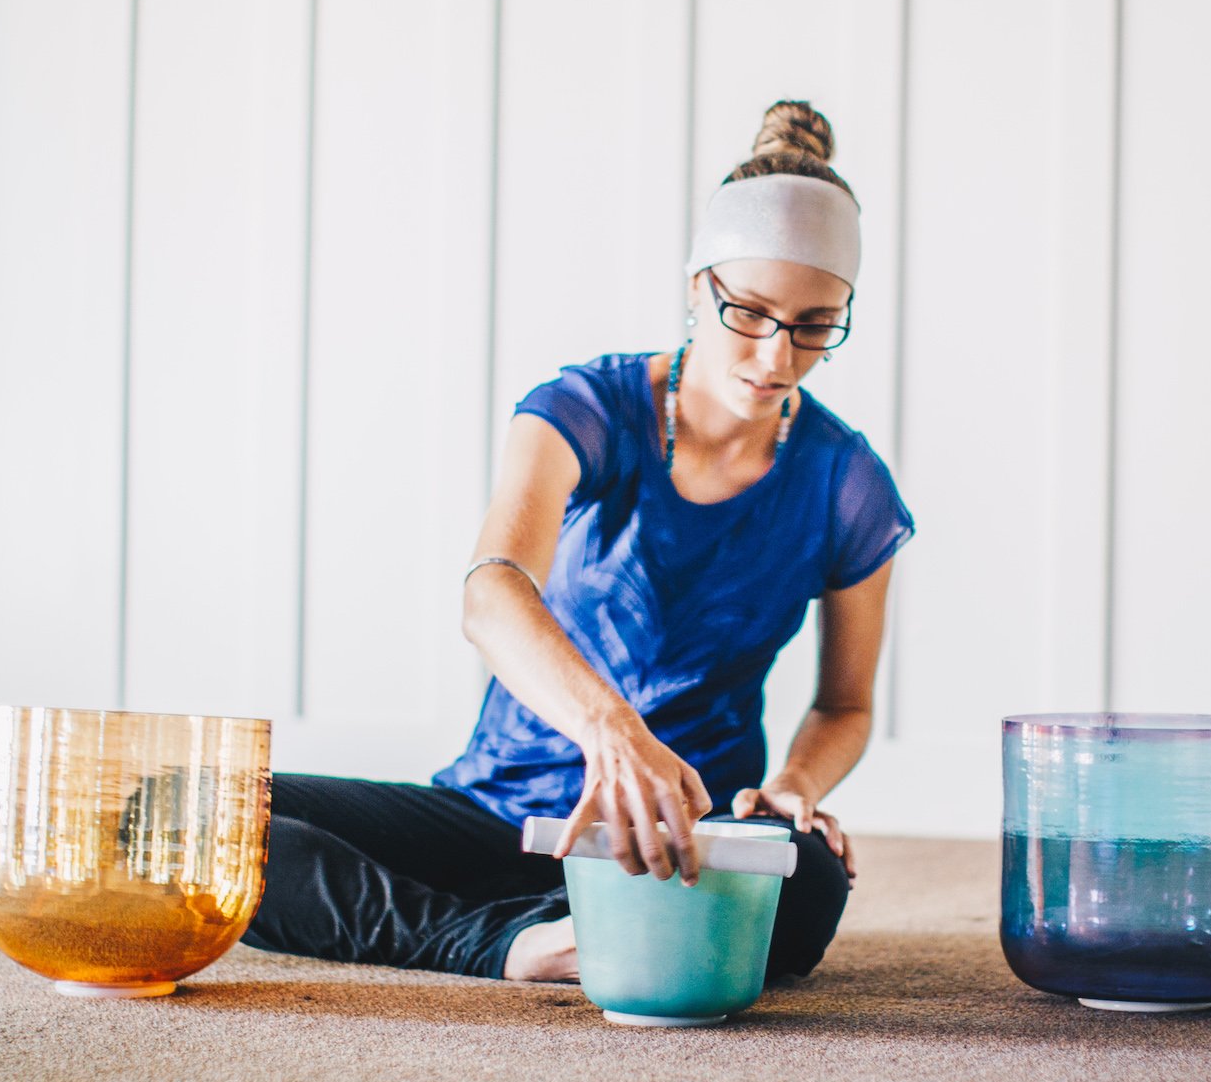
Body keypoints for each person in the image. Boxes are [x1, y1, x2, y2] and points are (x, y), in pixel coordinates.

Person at [239, 99, 915, 986]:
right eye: (748, 311)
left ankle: (553, 924)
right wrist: (611, 731)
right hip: (495, 814)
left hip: (677, 837)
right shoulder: (586, 410)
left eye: (815, 324)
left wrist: (794, 787)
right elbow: (490, 592)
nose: (776, 356)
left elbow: (844, 705)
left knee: (809, 887)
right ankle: (510, 937)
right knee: (199, 818)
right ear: (695, 286)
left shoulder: (847, 482)